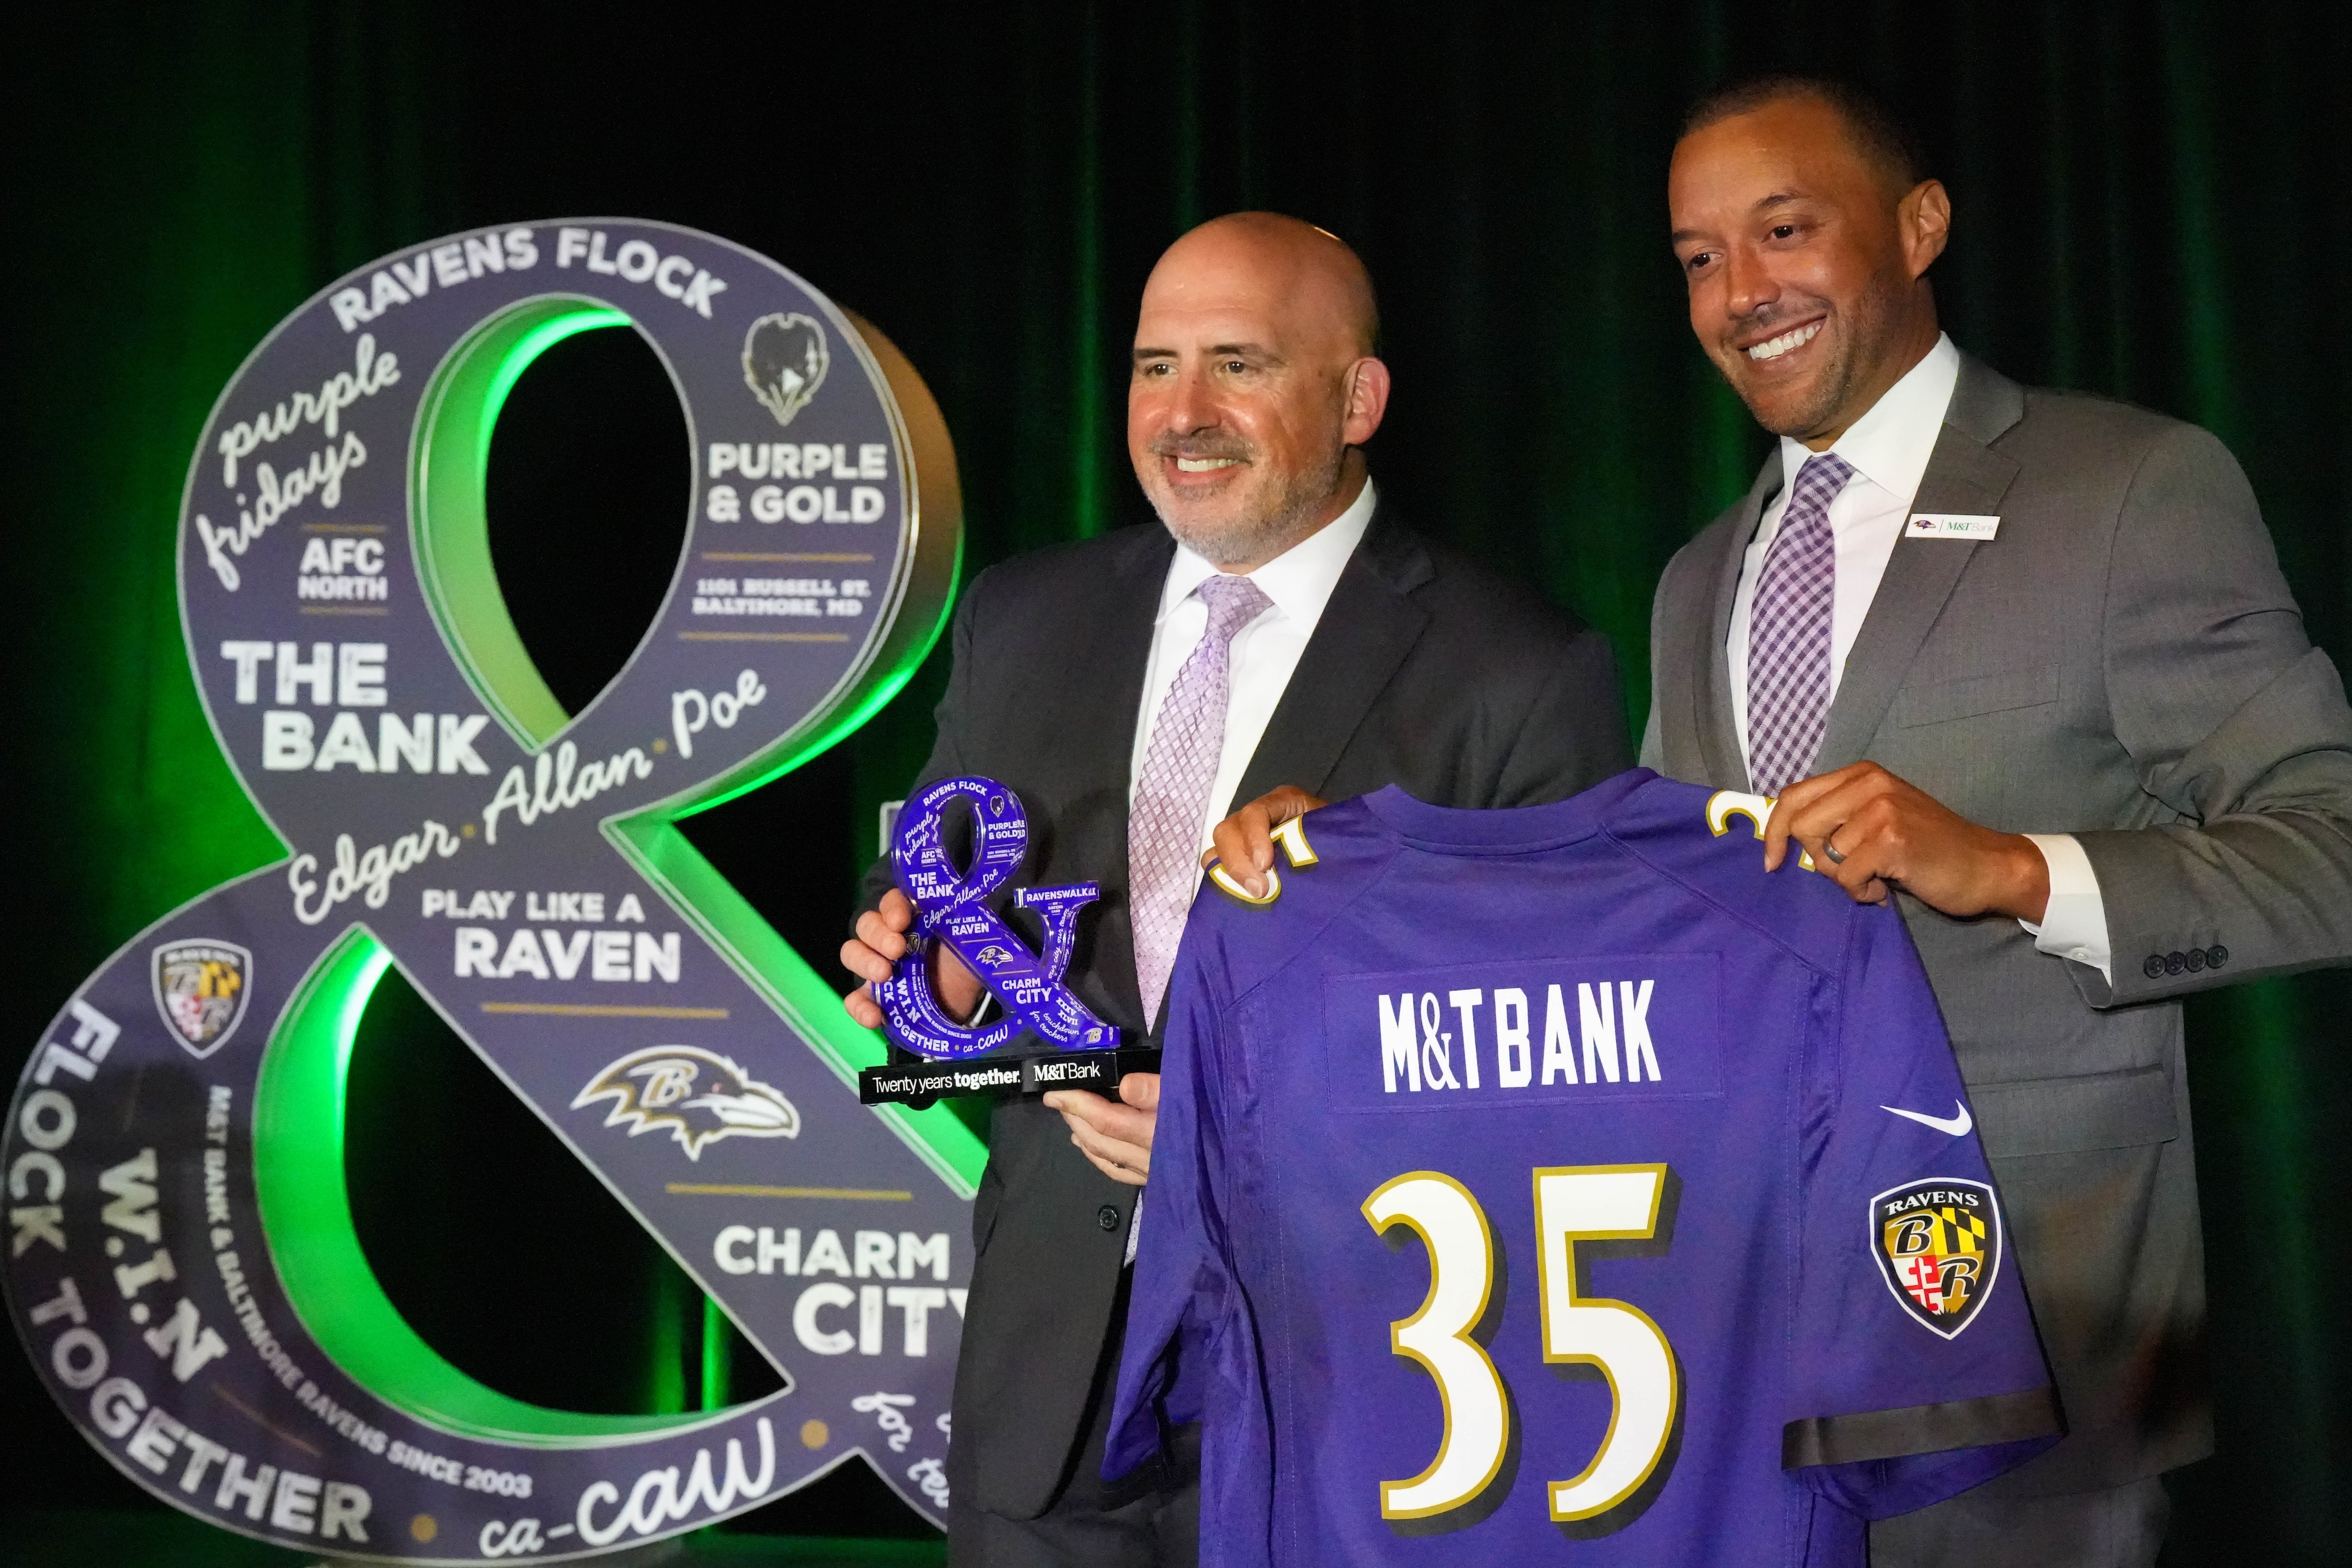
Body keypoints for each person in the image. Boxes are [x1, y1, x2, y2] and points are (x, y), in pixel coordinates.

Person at [1211, 77, 2352, 1567]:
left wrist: (2011, 871)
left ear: (1921, 225)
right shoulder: (1702, 574)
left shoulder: (2129, 487)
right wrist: (1351, 864)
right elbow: (1641, 930)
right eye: (1696, 258)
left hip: (2030, 1345)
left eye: (1785, 231)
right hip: (1738, 1360)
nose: (1740, 293)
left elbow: (2328, 850)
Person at [837, 211, 1629, 1566]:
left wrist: (1281, 1126)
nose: (1182, 413)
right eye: (1154, 367)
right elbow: (930, 928)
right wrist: (933, 970)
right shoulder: (1023, 618)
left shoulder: (1520, 671)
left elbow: (1572, 1057)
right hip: (1052, 1382)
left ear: (1358, 395)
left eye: (1238, 365)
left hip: (1356, 1367)